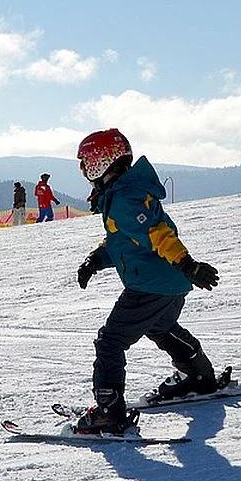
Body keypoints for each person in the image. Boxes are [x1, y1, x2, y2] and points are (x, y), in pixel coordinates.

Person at [73, 128, 221, 435]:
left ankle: (108, 411)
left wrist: (188, 264)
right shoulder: (126, 194)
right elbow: (125, 242)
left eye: (87, 163)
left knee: (110, 341)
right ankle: (199, 375)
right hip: (171, 283)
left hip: (151, 285)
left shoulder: (125, 199)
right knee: (160, 327)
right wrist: (95, 260)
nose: (85, 171)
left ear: (102, 162)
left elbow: (158, 235)